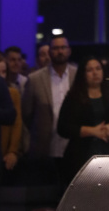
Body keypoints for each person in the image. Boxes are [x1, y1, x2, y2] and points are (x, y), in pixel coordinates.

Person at [57, 56, 109, 183]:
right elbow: (62, 128)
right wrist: (92, 131)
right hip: (81, 154)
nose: (95, 73)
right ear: (82, 74)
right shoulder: (73, 98)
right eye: (90, 70)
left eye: (98, 68)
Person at [22, 34, 76, 182]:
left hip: (73, 145)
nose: (60, 51)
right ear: (50, 51)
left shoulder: (78, 75)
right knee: (45, 190)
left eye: (63, 47)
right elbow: (27, 113)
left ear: (69, 50)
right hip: (44, 146)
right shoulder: (35, 79)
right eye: (56, 48)